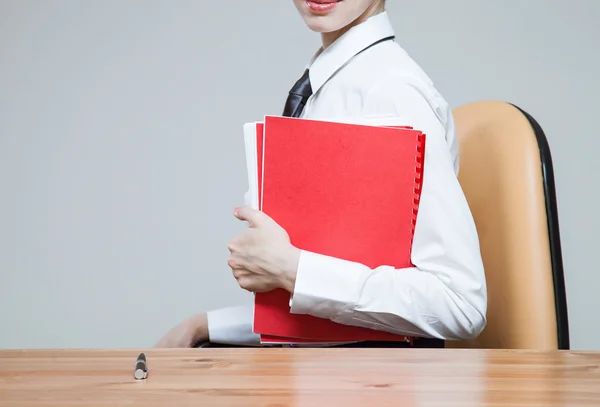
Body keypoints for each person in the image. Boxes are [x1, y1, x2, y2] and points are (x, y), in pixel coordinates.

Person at [155, 0, 487, 348]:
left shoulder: (392, 93)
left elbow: (459, 304)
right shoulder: (329, 83)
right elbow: (331, 310)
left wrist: (291, 269)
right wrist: (204, 326)